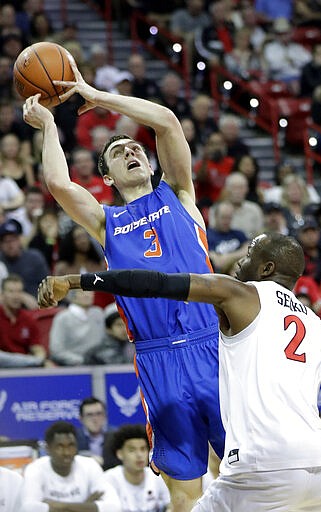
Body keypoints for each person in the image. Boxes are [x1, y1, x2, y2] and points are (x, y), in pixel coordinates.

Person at [38, 231, 321, 512]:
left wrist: (75, 281)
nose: (239, 262)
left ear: (267, 269)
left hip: (261, 467)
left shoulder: (240, 294)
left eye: (249, 255)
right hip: (320, 471)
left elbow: (157, 283)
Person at [23, 54, 224, 512]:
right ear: (107, 178)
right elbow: (57, 182)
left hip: (211, 344)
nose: (132, 151)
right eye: (118, 152)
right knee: (185, 489)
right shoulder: (105, 222)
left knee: (243, 467)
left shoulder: (180, 195)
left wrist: (95, 96)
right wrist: (50, 125)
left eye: (135, 148)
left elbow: (169, 123)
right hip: (157, 357)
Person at [20, 421, 121, 512]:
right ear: (48, 449)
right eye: (60, 447)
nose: (67, 452)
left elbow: (114, 507)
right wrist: (86, 505)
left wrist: (59, 506)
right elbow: (29, 508)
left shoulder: (90, 465)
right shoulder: (35, 469)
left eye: (71, 445)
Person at [104, 424, 171, 512]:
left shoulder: (158, 477)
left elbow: (172, 505)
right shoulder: (109, 479)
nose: (139, 455)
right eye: (132, 450)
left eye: (143, 449)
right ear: (120, 454)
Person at [75, 397, 120, 471]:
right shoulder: (74, 437)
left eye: (99, 414)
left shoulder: (116, 436)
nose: (95, 419)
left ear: (105, 416)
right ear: (81, 418)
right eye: (89, 415)